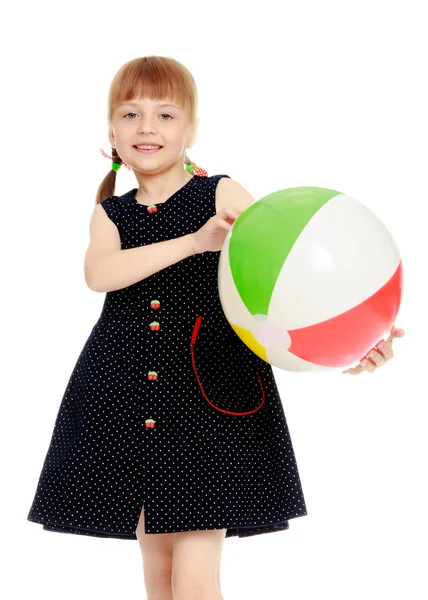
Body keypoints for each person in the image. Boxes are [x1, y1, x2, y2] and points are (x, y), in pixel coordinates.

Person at [26, 56, 405, 600]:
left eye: (166, 114)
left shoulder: (222, 194)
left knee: (197, 582)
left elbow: (283, 275)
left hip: (209, 399)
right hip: (122, 395)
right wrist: (194, 243)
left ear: (192, 130)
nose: (147, 128)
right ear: (111, 131)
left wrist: (355, 340)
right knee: (158, 573)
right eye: (131, 115)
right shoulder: (110, 213)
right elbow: (99, 274)